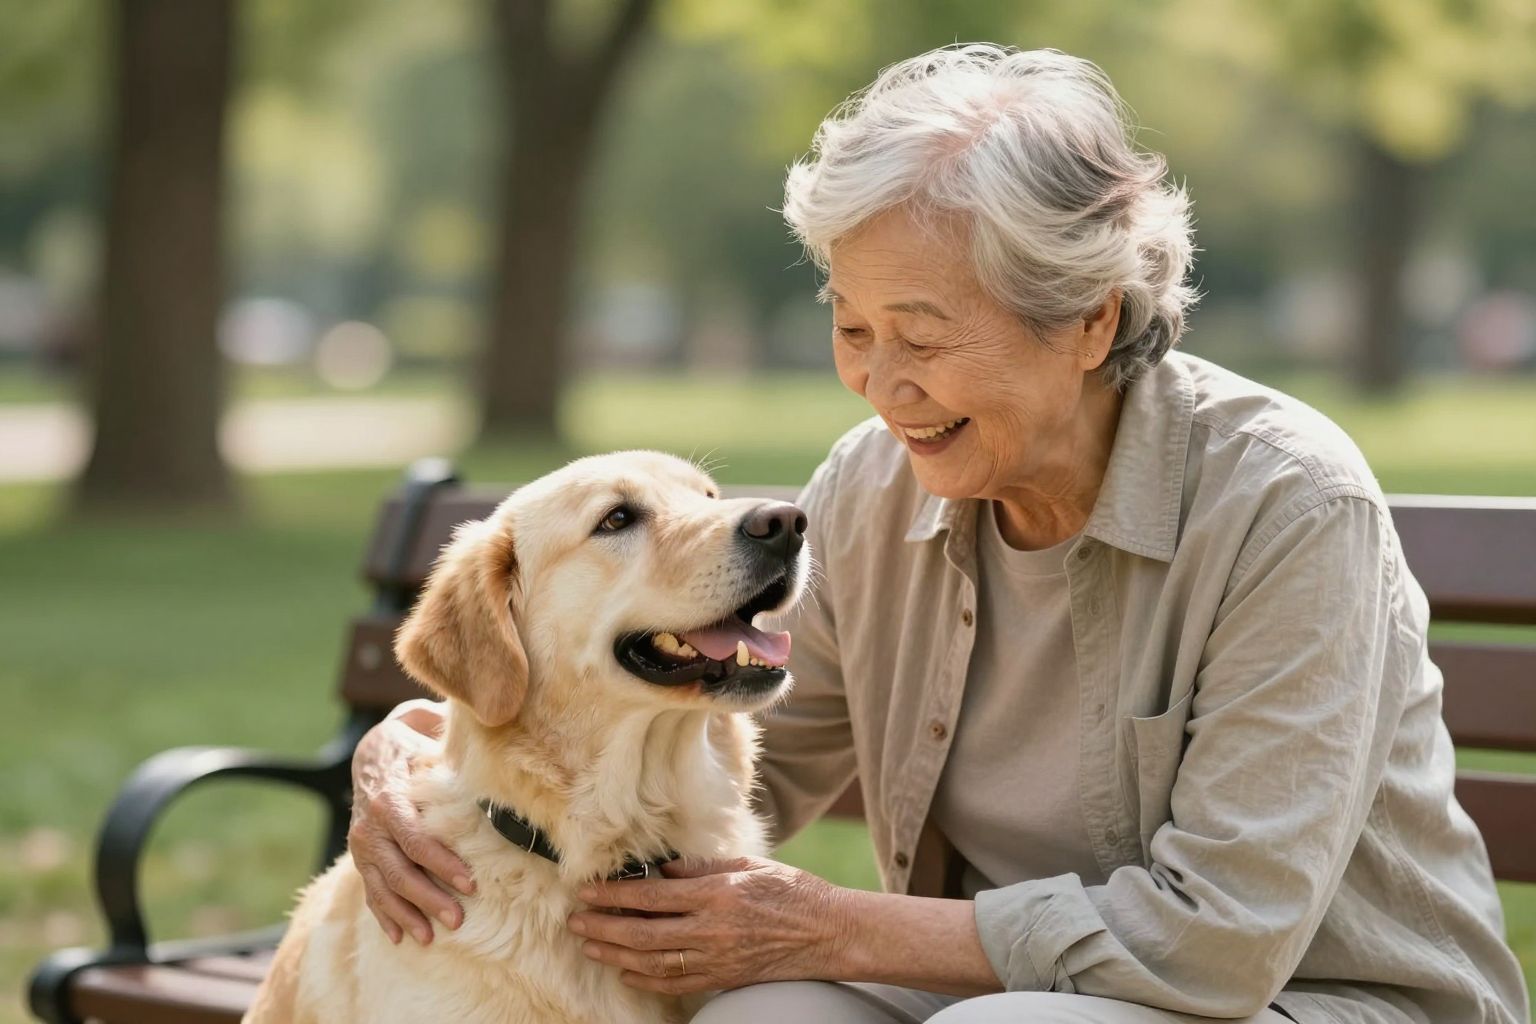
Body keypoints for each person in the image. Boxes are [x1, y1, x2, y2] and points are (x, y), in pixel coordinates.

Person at [344, 45, 1529, 1024]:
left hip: (1316, 1000)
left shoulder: (1288, 506)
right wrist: (415, 755)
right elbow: (748, 741)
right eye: (853, 327)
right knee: (759, 1015)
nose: (881, 383)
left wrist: (834, 922)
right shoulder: (876, 486)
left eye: (922, 330)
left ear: (1086, 319)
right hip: (998, 981)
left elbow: (1222, 941)